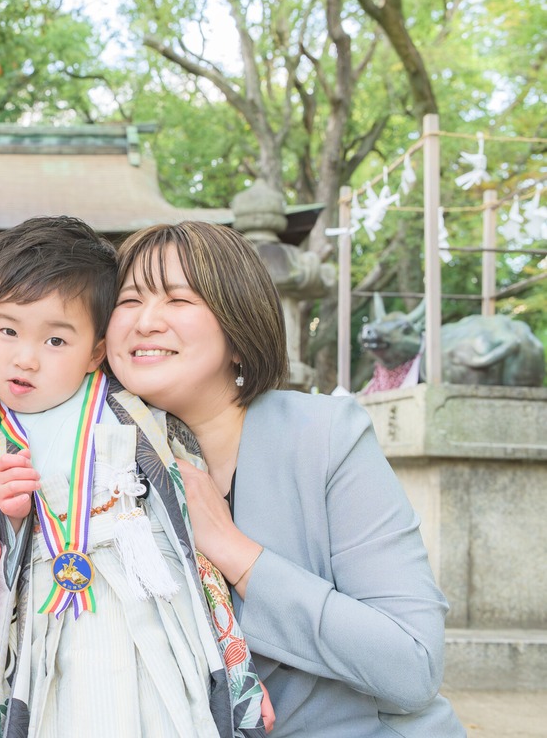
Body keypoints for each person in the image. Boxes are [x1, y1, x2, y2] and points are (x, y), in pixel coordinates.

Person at [104, 220, 465, 737]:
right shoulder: (95, 451)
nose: (145, 322)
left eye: (178, 300)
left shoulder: (324, 437)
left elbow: (412, 665)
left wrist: (232, 549)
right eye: (129, 300)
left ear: (238, 328)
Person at [0, 217, 269, 738]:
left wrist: (237, 671)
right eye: (7, 329)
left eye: (56, 341)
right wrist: (8, 516)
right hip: (44, 623)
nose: (25, 358)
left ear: (96, 350)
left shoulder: (142, 418)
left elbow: (193, 551)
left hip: (146, 604)